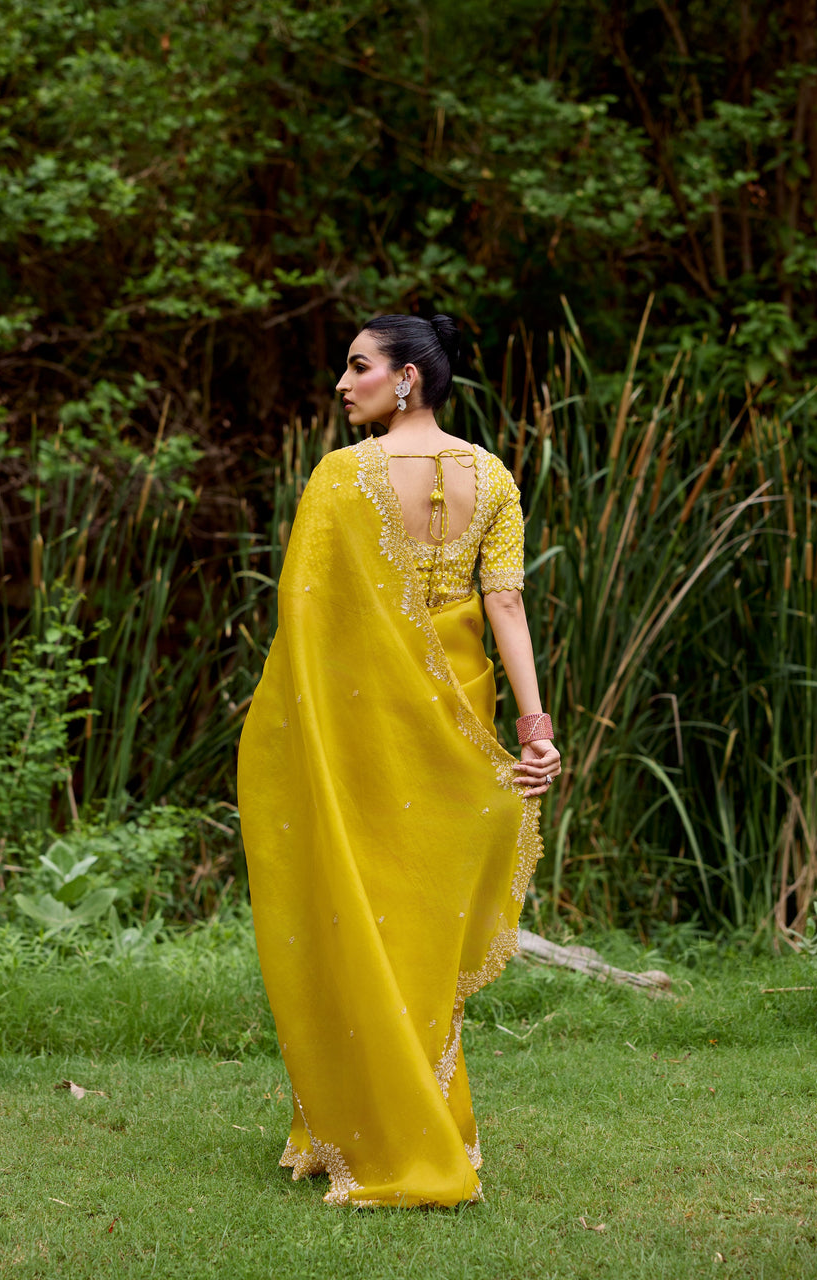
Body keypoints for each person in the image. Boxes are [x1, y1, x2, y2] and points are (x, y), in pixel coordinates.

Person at [237, 313, 561, 1207]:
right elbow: (507, 610)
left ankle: (388, 1137)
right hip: (464, 720)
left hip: (371, 728)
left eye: (359, 367)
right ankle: (412, 1125)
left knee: (365, 912)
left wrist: (288, 738)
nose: (343, 384)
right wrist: (535, 729)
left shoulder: (343, 479)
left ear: (408, 377)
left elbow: (312, 631)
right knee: (422, 921)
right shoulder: (491, 476)